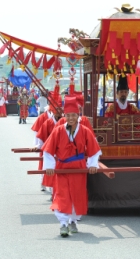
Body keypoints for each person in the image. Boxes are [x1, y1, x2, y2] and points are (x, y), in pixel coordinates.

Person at [42, 96, 101, 237]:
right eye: (68, 115)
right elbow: (48, 149)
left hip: (79, 169)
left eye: (73, 115)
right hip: (62, 168)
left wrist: (93, 164)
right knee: (62, 196)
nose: (71, 118)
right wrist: (49, 166)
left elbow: (94, 149)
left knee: (77, 195)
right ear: (64, 116)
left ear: (78, 115)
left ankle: (73, 221)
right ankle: (63, 224)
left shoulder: (85, 130)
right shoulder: (58, 130)